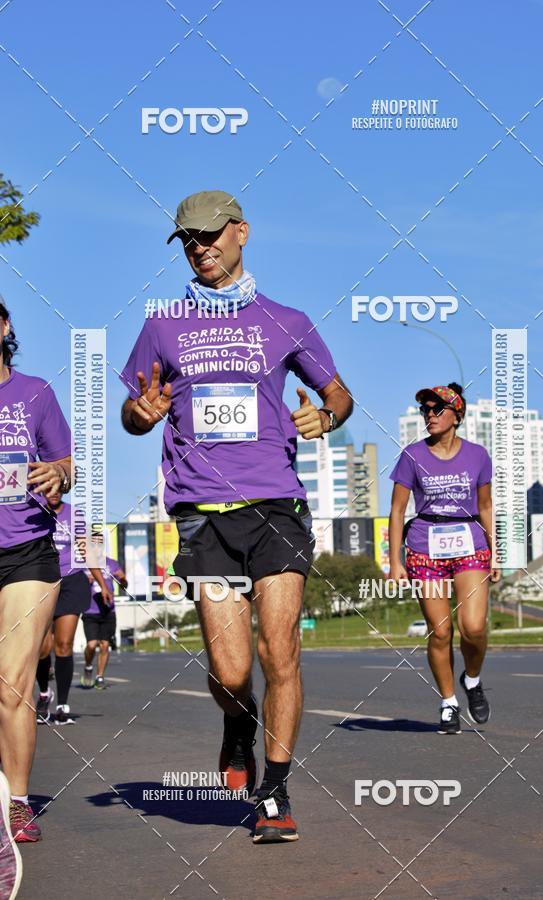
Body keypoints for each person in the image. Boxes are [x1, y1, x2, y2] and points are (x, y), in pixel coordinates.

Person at [120, 190, 352, 843]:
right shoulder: (163, 325)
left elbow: (337, 393)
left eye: (211, 235)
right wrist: (142, 413)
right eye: (188, 240)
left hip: (276, 502)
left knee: (281, 650)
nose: (200, 247)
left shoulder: (286, 321)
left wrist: (326, 415)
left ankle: (274, 791)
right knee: (230, 671)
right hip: (201, 512)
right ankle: (236, 723)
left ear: (242, 232)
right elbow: (133, 413)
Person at [0, 298, 71, 872]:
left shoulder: (35, 394)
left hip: (27, 550)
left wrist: (58, 474)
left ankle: (17, 803)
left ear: (4, 327)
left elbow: (67, 465)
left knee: (12, 681)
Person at [388, 383, 500, 735]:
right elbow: (396, 511)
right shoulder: (411, 456)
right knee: (440, 631)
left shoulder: (478, 455)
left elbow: (485, 506)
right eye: (425, 411)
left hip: (470, 543)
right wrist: (395, 562)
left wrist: (496, 552)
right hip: (425, 546)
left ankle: (472, 678)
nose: (430, 416)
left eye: (437, 410)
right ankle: (448, 702)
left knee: (474, 626)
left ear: (456, 415)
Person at [35, 498, 93, 725]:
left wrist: (101, 581)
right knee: (42, 648)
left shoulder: (74, 514)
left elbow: (87, 549)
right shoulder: (34, 510)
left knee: (64, 644)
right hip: (42, 580)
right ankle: (43, 692)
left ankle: (62, 704)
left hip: (71, 581)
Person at [81, 557, 127, 689]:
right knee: (91, 644)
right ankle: (88, 666)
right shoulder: (82, 563)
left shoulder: (111, 563)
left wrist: (123, 580)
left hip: (108, 610)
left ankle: (100, 677)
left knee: (105, 645)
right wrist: (85, 581)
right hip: (90, 610)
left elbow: (124, 585)